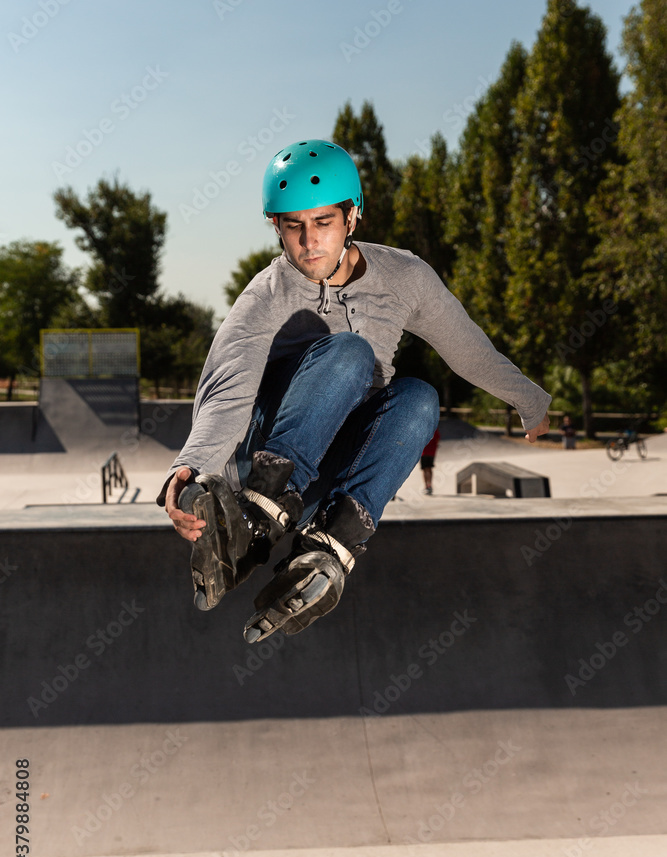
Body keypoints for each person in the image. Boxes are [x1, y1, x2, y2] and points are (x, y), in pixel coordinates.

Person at [157, 139, 551, 643]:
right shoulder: (265, 294)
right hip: (263, 454)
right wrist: (191, 466)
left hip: (332, 465)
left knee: (419, 398)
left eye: (323, 222)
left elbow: (467, 348)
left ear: (352, 217)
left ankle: (327, 548)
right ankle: (256, 516)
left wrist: (530, 400)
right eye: (292, 226)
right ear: (275, 227)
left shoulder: (405, 277)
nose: (308, 243)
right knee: (350, 354)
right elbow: (226, 388)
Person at [420, 428, 440, 495]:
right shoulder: (434, 428)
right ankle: (429, 485)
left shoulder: (424, 429)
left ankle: (426, 486)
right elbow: (437, 438)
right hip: (431, 452)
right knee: (429, 468)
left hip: (424, 452)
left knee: (425, 469)